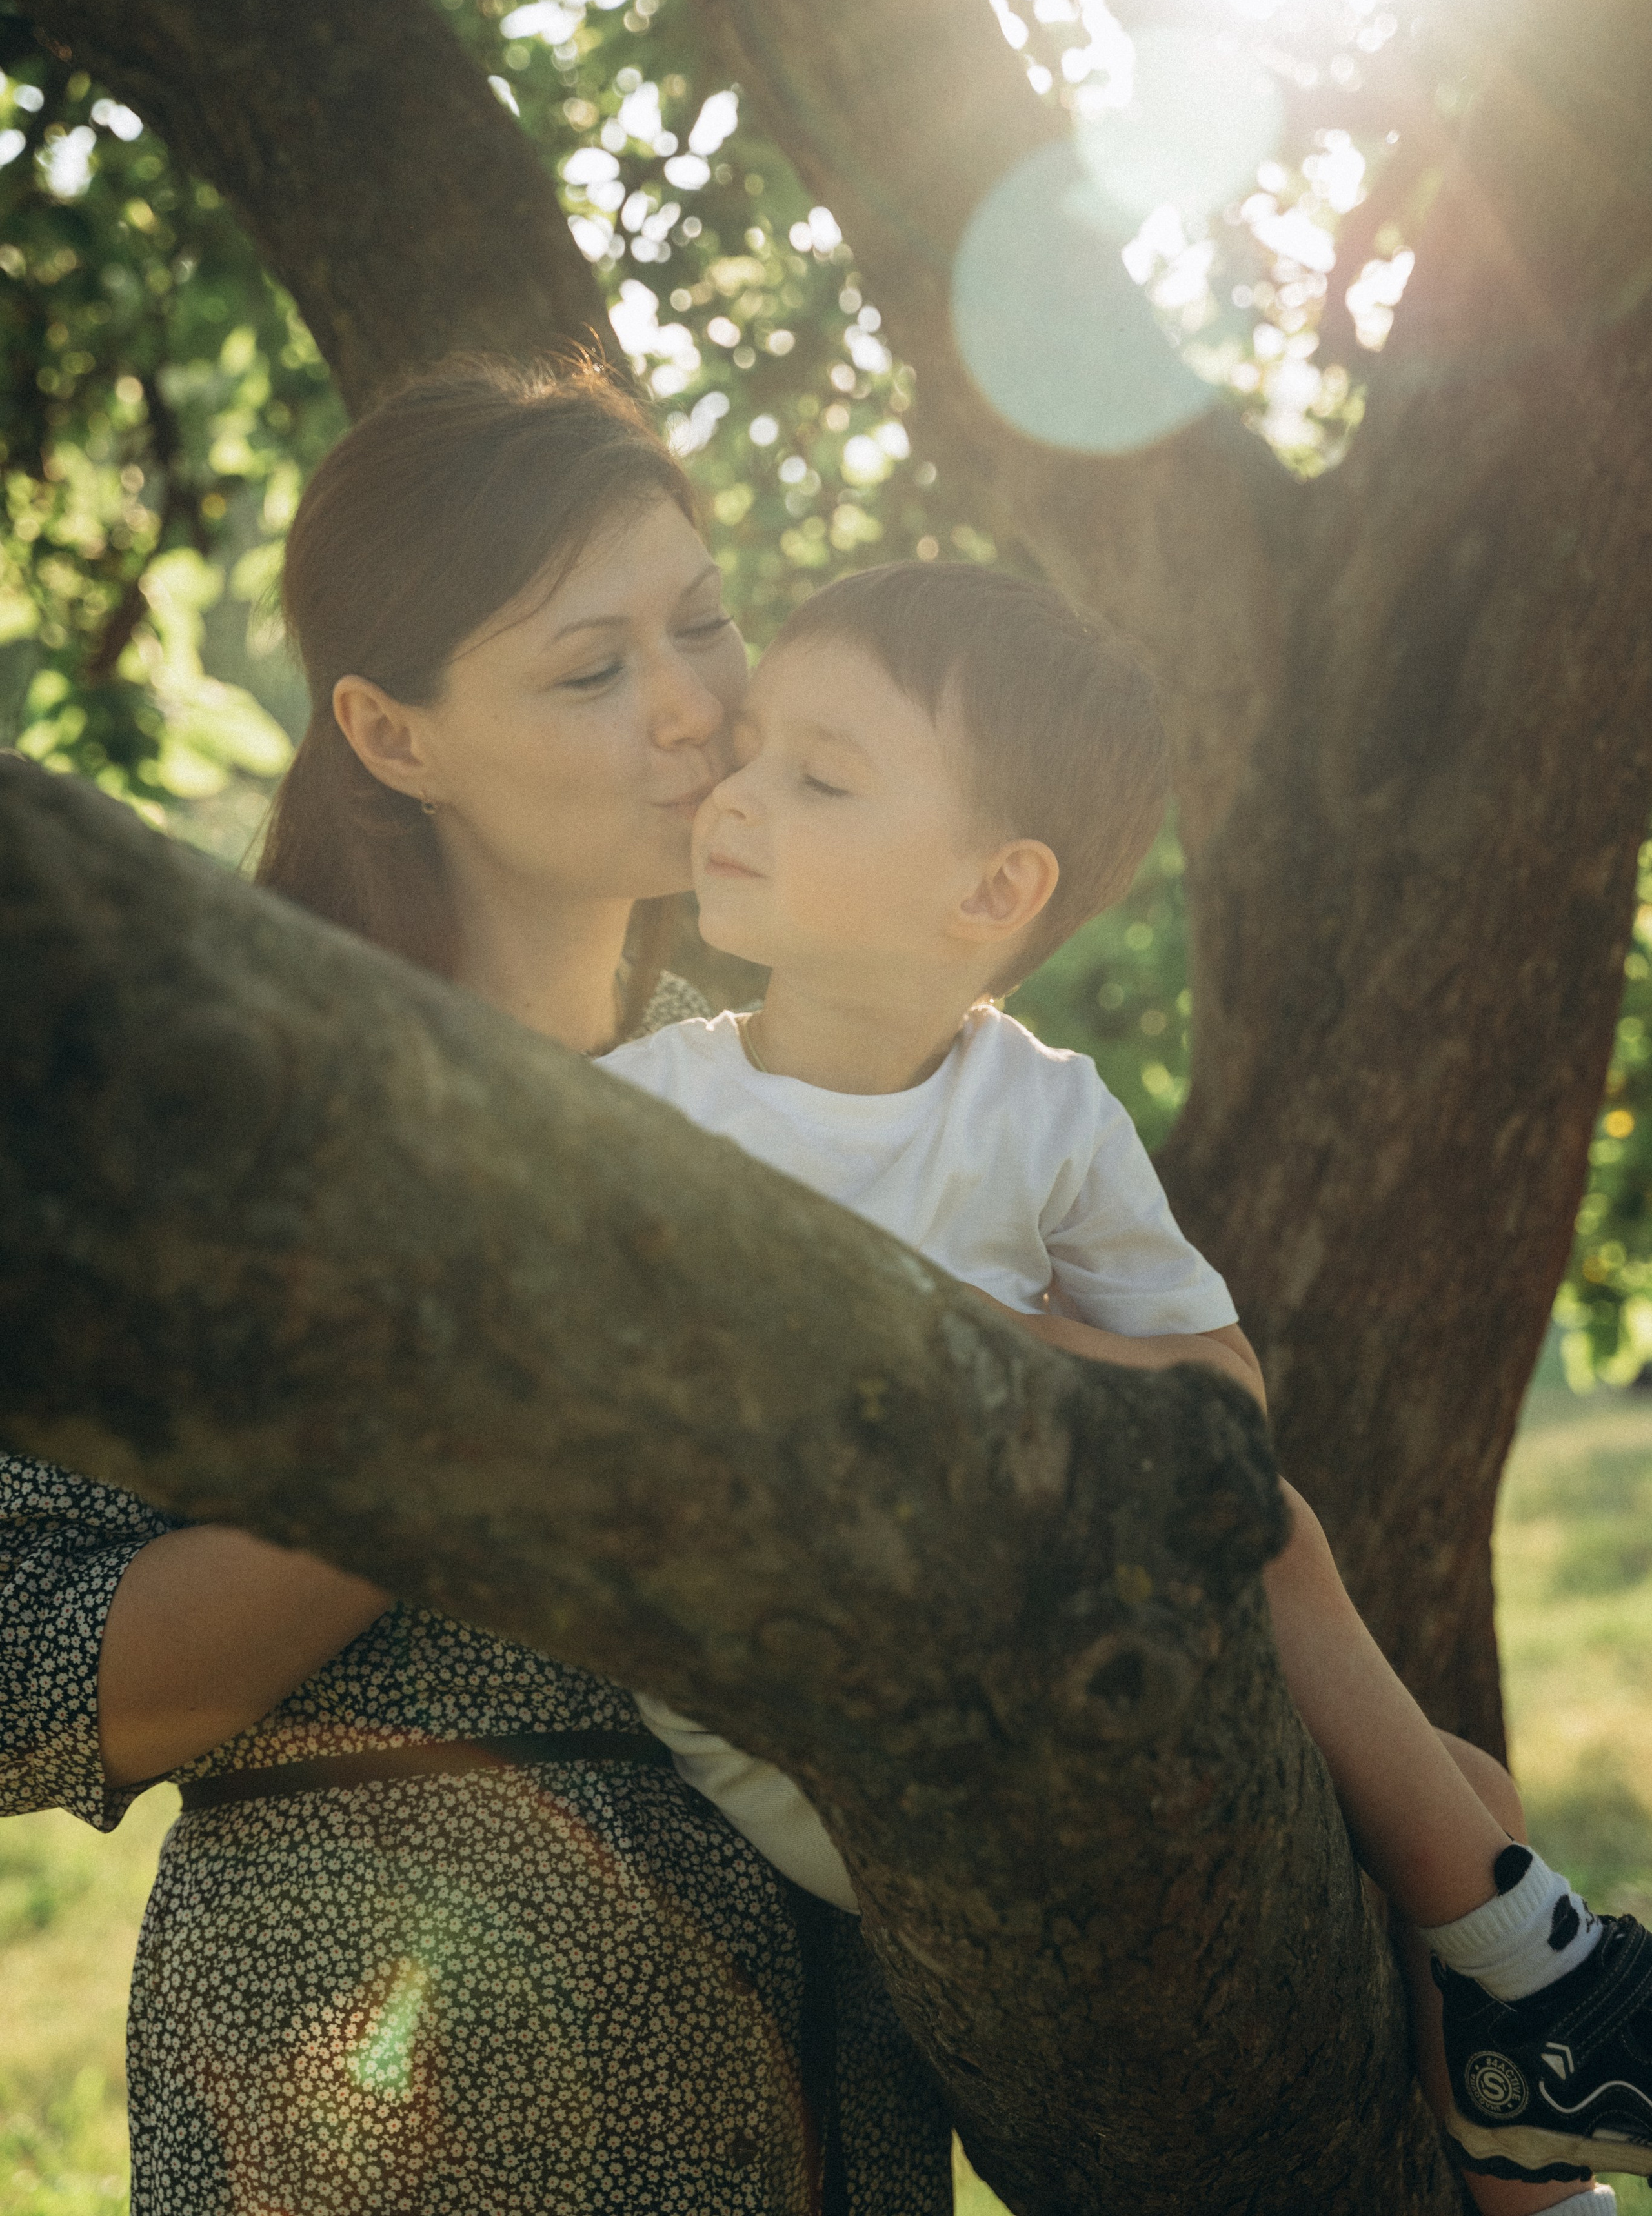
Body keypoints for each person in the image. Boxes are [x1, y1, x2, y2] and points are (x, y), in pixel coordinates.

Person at [0, 361, 952, 2215]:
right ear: (390, 731)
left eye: (704, 621)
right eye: (590, 669)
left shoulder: (803, 1108)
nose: (692, 711)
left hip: (813, 2091)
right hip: (374, 2102)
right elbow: (27, 1676)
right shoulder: (221, 1134)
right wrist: (493, 1410)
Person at [603, 558, 1646, 2213]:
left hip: (1062, 1635)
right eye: (748, 754)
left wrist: (974, 1333)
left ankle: (1544, 2151)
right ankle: (1555, 1980)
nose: (730, 794)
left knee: (1467, 1788)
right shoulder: (646, 1114)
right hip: (815, 1711)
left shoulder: (1039, 1109)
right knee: (1325, 1626)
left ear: (991, 888)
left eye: (816, 774)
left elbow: (1212, 1402)